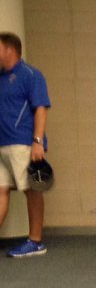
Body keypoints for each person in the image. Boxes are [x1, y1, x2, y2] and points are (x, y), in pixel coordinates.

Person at [0, 31, 51, 257]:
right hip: (1, 144)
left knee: (32, 190)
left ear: (10, 49)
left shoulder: (31, 75)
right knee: (1, 191)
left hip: (23, 142)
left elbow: (41, 108)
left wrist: (37, 142)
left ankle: (35, 241)